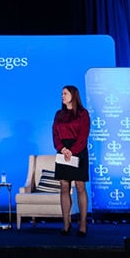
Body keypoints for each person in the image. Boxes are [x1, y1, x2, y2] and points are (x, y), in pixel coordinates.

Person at [52, 84, 91, 237]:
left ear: (73, 95)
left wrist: (72, 151)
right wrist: (62, 149)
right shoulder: (58, 114)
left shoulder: (83, 113)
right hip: (63, 151)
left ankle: (82, 223)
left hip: (78, 150)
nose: (62, 96)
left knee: (80, 186)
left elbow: (83, 135)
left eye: (65, 93)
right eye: (62, 94)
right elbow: (55, 134)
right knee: (64, 187)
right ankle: (66, 223)